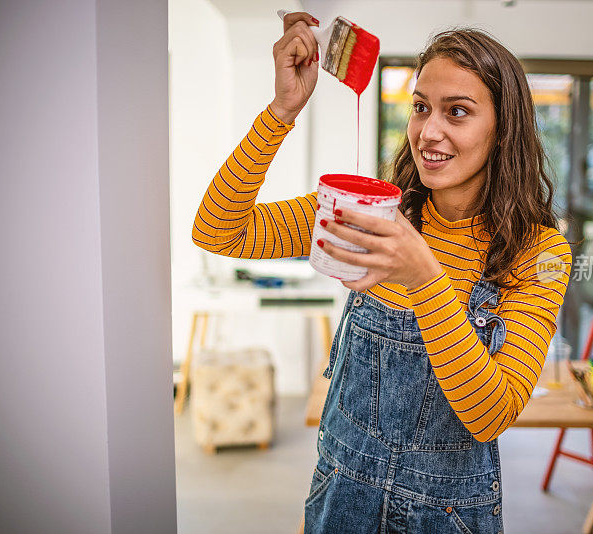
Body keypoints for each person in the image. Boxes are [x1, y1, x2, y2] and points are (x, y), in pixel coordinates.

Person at [192, 11, 572, 533]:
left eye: (457, 112)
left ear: (503, 129)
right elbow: (218, 231)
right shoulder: (369, 209)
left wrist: (423, 278)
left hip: (448, 514)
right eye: (421, 108)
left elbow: (491, 413)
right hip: (341, 493)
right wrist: (283, 109)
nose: (428, 132)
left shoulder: (540, 253)